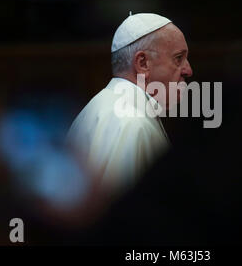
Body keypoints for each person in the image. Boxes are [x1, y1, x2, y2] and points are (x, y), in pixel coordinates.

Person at [66, 13, 193, 200]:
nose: (188, 70)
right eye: (178, 58)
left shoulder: (103, 104)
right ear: (143, 63)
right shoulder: (132, 124)